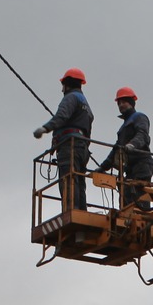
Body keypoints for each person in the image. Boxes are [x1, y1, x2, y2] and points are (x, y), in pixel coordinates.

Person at [33, 68, 93, 210]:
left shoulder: (70, 98)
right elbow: (89, 124)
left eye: (63, 86)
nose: (62, 90)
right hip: (82, 148)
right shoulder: (85, 104)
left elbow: (61, 116)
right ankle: (81, 211)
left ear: (68, 84)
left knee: (68, 180)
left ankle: (70, 210)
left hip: (70, 147)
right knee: (78, 180)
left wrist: (46, 128)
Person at [96, 86, 153, 204]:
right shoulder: (123, 128)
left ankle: (140, 219)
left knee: (139, 199)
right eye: (119, 103)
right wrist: (103, 167)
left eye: (124, 102)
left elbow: (142, 135)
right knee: (126, 199)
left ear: (131, 103)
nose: (121, 105)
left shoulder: (139, 117)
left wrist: (132, 145)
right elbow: (116, 150)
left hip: (142, 165)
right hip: (130, 169)